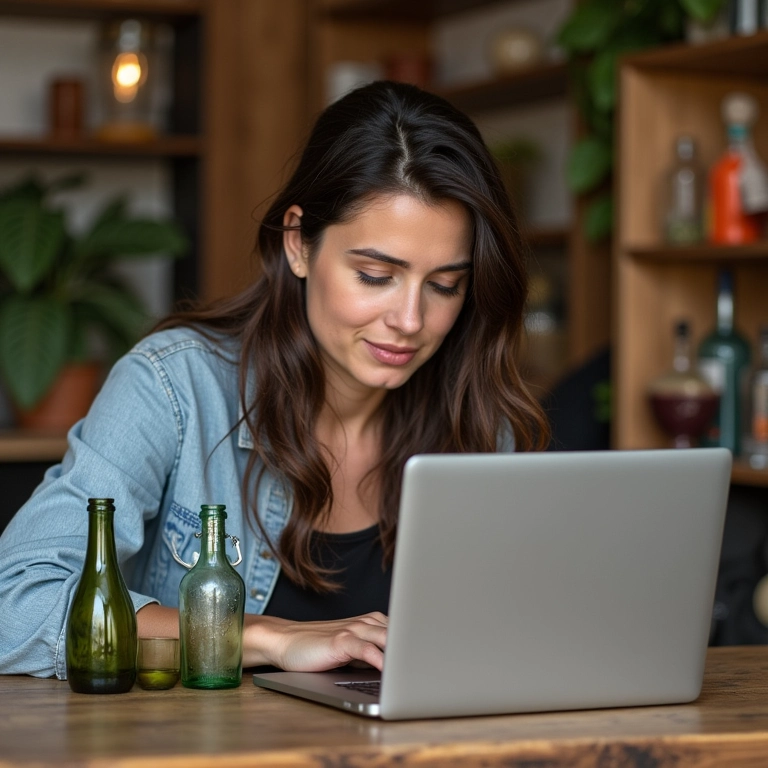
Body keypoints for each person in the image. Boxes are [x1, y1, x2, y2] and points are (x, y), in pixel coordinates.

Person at [0, 81, 548, 679]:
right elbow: (16, 605)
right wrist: (265, 638)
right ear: (298, 244)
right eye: (374, 275)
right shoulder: (175, 388)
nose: (411, 321)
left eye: (445, 285)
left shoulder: (477, 423)